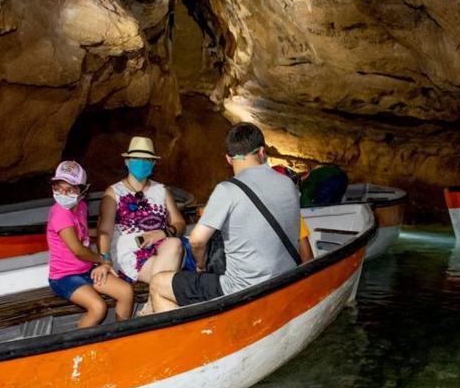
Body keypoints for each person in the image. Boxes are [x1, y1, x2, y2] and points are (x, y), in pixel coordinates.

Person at [148, 123, 300, 312]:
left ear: (228, 159)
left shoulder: (227, 190)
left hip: (242, 289)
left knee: (158, 284)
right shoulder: (288, 185)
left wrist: (201, 265)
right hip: (287, 280)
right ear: (262, 152)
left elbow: (196, 240)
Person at [47, 161, 134, 328]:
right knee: (97, 307)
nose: (63, 194)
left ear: (83, 191)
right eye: (59, 188)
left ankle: (123, 333)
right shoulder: (60, 214)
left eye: (71, 189)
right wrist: (102, 260)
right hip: (64, 277)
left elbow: (84, 234)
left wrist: (111, 232)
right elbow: (78, 251)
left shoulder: (80, 207)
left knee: (125, 291)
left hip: (86, 270)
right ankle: (76, 347)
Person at [97, 137, 190, 290]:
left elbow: (179, 224)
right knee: (168, 282)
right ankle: (153, 304)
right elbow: (104, 231)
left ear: (153, 163)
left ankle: (152, 304)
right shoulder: (114, 192)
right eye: (136, 158)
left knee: (175, 243)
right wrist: (105, 260)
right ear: (127, 161)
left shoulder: (162, 190)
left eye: (146, 159)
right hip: (128, 252)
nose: (141, 162)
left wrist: (162, 233)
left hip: (160, 249)